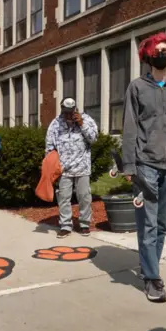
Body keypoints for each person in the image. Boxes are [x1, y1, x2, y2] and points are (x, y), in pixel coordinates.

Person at [121, 32, 166, 303]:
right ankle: (152, 277)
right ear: (148, 54)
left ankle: (150, 266)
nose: (163, 53)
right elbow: (129, 128)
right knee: (148, 223)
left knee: (162, 225)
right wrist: (130, 166)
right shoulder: (137, 88)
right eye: (158, 49)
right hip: (146, 164)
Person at [45, 97, 98, 238]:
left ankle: (85, 224)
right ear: (62, 109)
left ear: (76, 109)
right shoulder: (56, 123)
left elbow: (93, 139)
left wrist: (81, 124)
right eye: (66, 111)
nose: (68, 114)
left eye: (71, 111)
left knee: (84, 197)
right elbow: (49, 146)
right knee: (63, 198)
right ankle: (65, 225)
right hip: (63, 169)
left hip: (82, 166)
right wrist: (50, 162)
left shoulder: (86, 119)